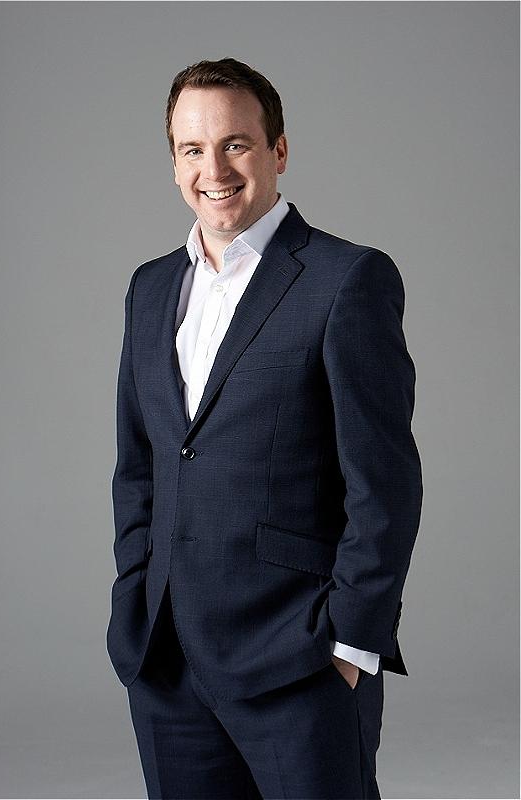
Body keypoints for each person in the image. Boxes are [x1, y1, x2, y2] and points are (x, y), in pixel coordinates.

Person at [106, 57, 423, 800]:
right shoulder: (150, 288)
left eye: (236, 144)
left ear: (278, 150)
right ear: (174, 162)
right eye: (192, 149)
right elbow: (140, 465)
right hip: (166, 662)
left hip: (299, 659)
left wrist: (351, 644)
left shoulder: (346, 279)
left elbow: (384, 481)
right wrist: (133, 598)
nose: (214, 169)